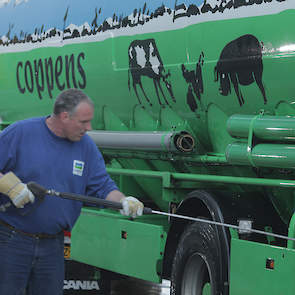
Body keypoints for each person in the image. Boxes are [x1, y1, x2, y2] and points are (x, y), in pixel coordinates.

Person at [0, 88, 144, 295]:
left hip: (52, 246)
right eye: (83, 122)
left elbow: (102, 185)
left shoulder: (86, 147)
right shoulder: (22, 133)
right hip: (12, 240)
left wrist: (123, 201)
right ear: (64, 116)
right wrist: (10, 187)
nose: (89, 127)